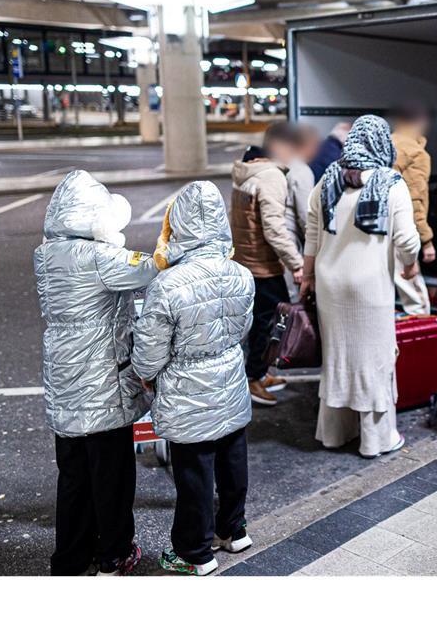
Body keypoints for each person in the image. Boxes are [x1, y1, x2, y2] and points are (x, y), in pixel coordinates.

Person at [33, 170, 158, 576]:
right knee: (112, 479)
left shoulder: (46, 254)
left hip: (65, 384)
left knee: (73, 477)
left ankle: (70, 559)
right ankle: (115, 553)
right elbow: (150, 268)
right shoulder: (99, 257)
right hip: (102, 387)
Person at [133, 181, 256, 576]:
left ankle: (194, 552)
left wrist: (146, 375)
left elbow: (150, 351)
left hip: (187, 392)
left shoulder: (168, 285)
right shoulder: (241, 275)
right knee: (233, 458)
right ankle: (233, 529)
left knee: (194, 473)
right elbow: (243, 328)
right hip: (230, 380)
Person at [301, 115, 421, 458]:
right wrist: (410, 264)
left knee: (338, 358)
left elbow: (312, 234)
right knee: (374, 360)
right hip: (369, 289)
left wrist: (307, 278)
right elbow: (407, 240)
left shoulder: (327, 180)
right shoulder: (389, 182)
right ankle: (377, 439)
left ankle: (336, 433)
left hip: (329, 285)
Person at [228, 123, 305, 406]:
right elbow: (274, 229)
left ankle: (258, 375)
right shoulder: (270, 176)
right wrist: (297, 263)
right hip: (262, 264)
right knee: (271, 322)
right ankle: (253, 378)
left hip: (246, 261)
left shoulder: (246, 171)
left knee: (260, 321)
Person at [390, 102, 435, 314]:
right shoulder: (416, 154)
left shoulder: (386, 143)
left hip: (373, 230)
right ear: (422, 122)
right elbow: (414, 200)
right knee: (417, 301)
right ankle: (424, 343)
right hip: (399, 230)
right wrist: (426, 240)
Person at [282, 123, 320, 300]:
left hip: (278, 242)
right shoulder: (302, 171)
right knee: (292, 298)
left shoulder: (285, 164)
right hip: (289, 241)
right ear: (308, 145)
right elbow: (306, 216)